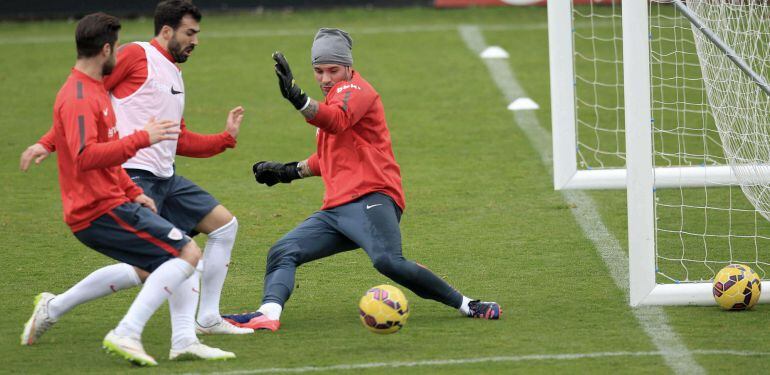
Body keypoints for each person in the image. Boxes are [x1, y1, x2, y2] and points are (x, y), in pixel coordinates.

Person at [222, 28, 501, 332]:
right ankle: (268, 314)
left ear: (348, 66)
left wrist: (298, 99)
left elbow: (338, 120)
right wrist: (286, 172)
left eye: (333, 69)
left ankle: (467, 304)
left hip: (373, 197)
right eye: (318, 70)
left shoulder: (355, 91)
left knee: (387, 261)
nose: (326, 78)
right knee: (283, 251)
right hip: (337, 211)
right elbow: (330, 158)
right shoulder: (333, 98)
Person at [19, 0, 252, 352]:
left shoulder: (174, 73)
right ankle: (62, 307)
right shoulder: (134, 56)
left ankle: (207, 319)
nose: (196, 41)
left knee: (222, 227)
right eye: (190, 33)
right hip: (132, 174)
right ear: (167, 30)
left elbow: (178, 138)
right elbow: (85, 98)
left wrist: (224, 139)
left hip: (165, 177)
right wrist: (47, 143)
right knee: (165, 261)